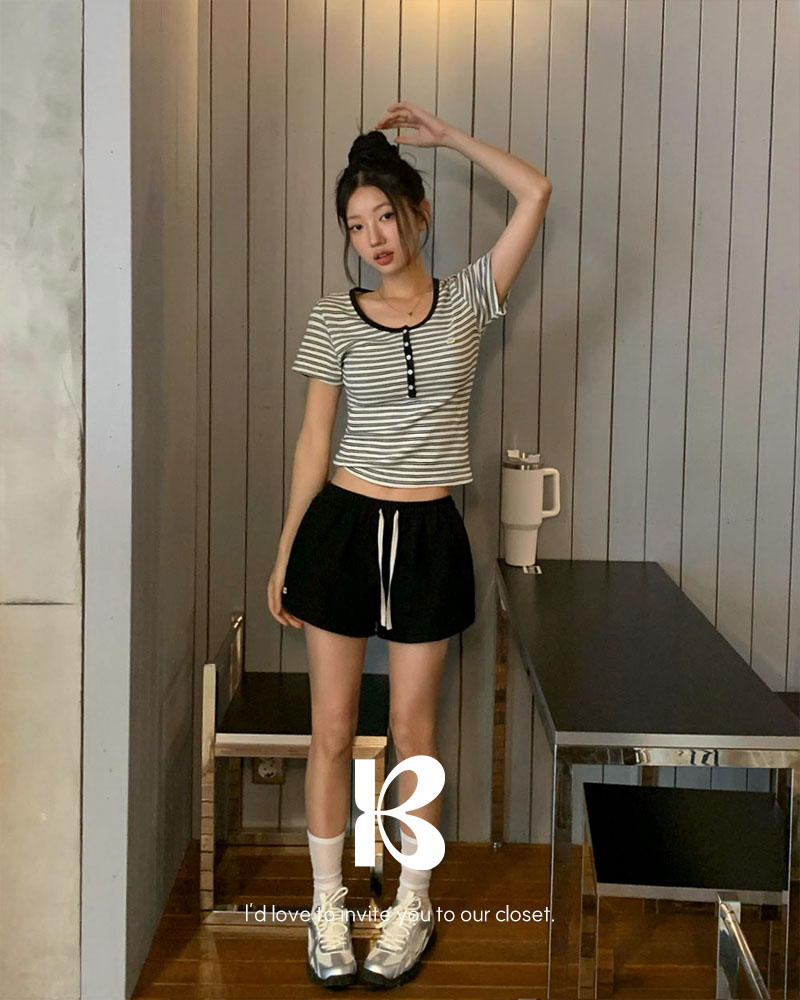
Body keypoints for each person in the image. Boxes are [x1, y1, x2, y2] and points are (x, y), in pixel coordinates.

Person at [267, 100, 551, 990]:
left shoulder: (469, 299)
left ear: (417, 213)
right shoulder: (333, 317)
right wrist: (285, 552)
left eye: (384, 216)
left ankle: (412, 903)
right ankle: (327, 909)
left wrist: (449, 138)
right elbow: (314, 442)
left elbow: (536, 192)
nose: (373, 239)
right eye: (356, 226)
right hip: (343, 530)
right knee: (331, 730)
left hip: (429, 535)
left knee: (413, 733)